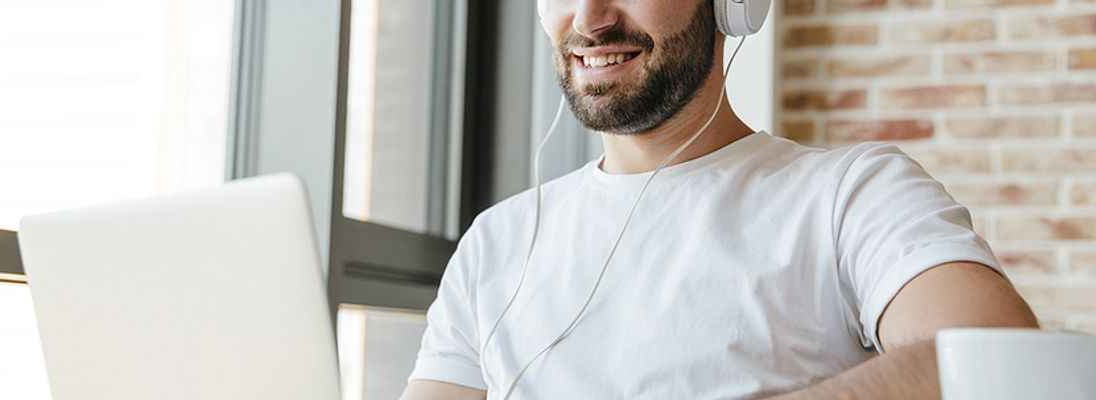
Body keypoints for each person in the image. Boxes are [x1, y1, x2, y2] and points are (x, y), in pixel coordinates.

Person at [400, 0, 1038, 399]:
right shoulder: (497, 239)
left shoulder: (852, 194)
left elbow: (1003, 361)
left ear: (732, 5)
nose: (590, 19)